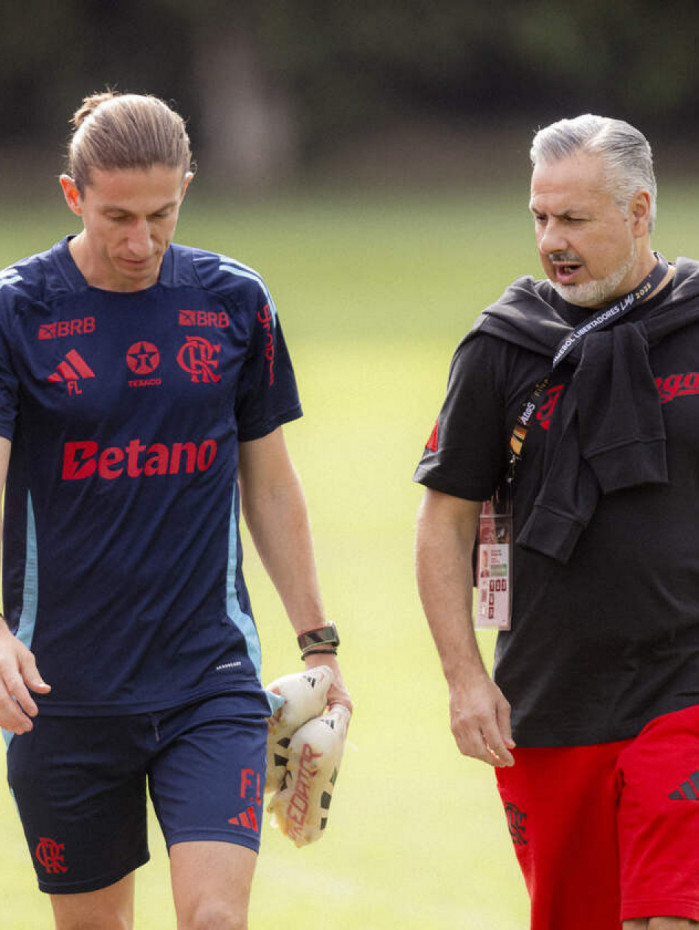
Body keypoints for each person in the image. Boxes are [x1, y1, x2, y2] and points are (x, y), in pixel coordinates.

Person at [0, 90, 351, 930]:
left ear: (187, 187)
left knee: (214, 920)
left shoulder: (234, 301)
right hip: (61, 693)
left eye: (162, 213)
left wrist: (318, 644)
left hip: (208, 679)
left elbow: (268, 481)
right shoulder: (18, 312)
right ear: (71, 195)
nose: (141, 240)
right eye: (117, 215)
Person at [414, 114, 699, 930]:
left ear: (639, 211)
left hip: (684, 683)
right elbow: (444, 522)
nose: (551, 239)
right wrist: (464, 679)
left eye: (573, 218)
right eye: (540, 217)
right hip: (551, 696)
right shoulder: (503, 346)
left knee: (667, 915)